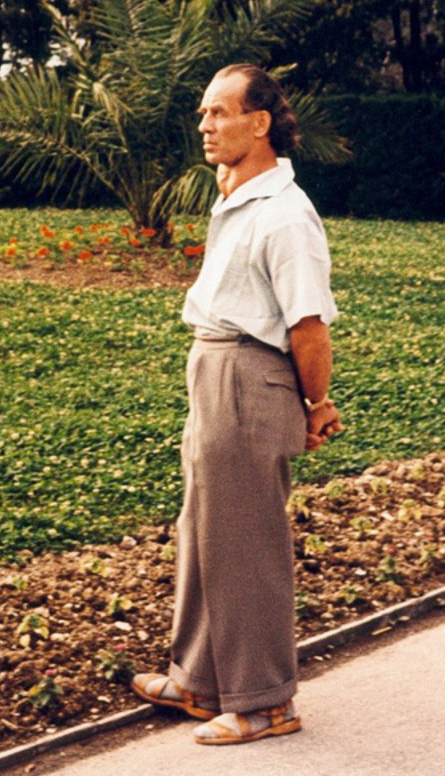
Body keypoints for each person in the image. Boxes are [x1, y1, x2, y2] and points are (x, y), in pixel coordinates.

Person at [132, 63, 344, 745]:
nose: (205, 124)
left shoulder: (286, 215)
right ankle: (199, 680)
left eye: (219, 112)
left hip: (250, 379)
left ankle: (265, 702)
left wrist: (317, 403)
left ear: (259, 123)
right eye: (203, 112)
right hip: (214, 370)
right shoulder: (238, 197)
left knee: (247, 542)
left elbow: (308, 326)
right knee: (203, 529)